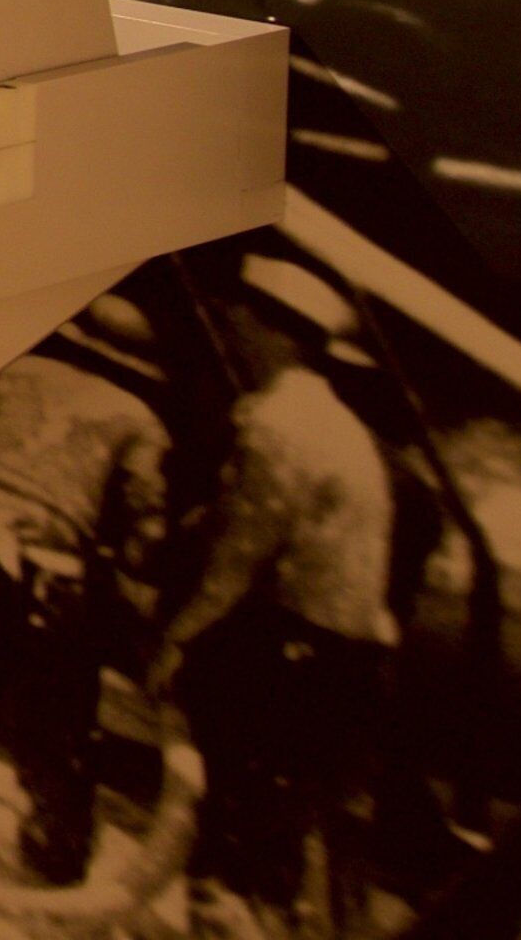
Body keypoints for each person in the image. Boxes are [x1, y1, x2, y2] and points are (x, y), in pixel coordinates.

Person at [153, 256, 401, 940]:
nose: (231, 324)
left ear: (272, 329)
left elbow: (240, 554)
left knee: (231, 818)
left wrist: (179, 638)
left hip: (295, 649)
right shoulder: (335, 424)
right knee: (273, 833)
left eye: (242, 314)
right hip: (339, 655)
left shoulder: (284, 421)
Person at [0, 294, 174, 882]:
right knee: (56, 694)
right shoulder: (140, 423)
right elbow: (144, 524)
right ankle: (53, 833)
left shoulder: (19, 367)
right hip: (49, 558)